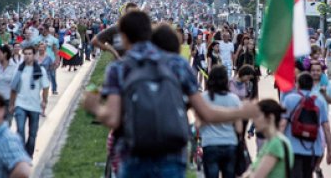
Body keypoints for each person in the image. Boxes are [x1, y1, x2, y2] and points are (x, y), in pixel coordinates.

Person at [82, 10, 257, 177]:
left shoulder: (120, 68)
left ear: (124, 37)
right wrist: (241, 111)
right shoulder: (177, 65)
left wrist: (94, 107)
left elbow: (112, 118)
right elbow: (206, 113)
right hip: (172, 154)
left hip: (135, 154)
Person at [281, 72, 331, 178]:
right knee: (307, 174)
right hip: (313, 148)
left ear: (297, 84)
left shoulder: (289, 99)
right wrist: (329, 151)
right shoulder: (320, 101)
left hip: (292, 147)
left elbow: (282, 124)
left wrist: (277, 143)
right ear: (312, 86)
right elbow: (326, 127)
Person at [197, 65, 242, 178]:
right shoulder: (234, 99)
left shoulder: (202, 98)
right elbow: (239, 128)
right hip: (230, 143)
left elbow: (198, 123)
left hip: (210, 143)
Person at [9, 45, 50, 157]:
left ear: (34, 55)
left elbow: (46, 86)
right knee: (20, 131)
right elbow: (13, 87)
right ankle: (21, 156)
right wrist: (12, 104)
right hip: (20, 104)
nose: (27, 56)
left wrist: (44, 100)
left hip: (35, 105)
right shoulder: (19, 69)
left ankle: (29, 155)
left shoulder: (40, 70)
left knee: (32, 135)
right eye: (25, 54)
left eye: (29, 54)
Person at [244, 99, 293, 178]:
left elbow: (257, 176)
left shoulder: (276, 143)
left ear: (270, 117)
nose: (254, 121)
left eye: (257, 116)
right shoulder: (270, 141)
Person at [0, 45, 18, 123]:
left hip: (9, 100)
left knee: (6, 125)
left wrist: (12, 103)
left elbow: (15, 87)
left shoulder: (14, 67)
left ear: (5, 54)